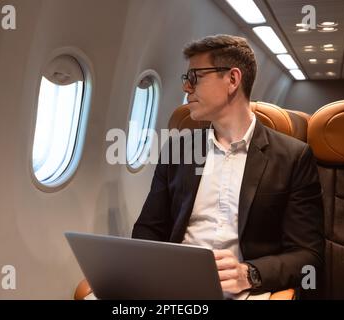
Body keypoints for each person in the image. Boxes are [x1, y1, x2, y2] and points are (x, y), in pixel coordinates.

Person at [132, 34, 324, 297]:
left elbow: (309, 256)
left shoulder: (293, 157)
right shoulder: (179, 149)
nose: (186, 88)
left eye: (195, 77)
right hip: (174, 284)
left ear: (233, 79)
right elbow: (148, 229)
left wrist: (250, 273)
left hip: (243, 291)